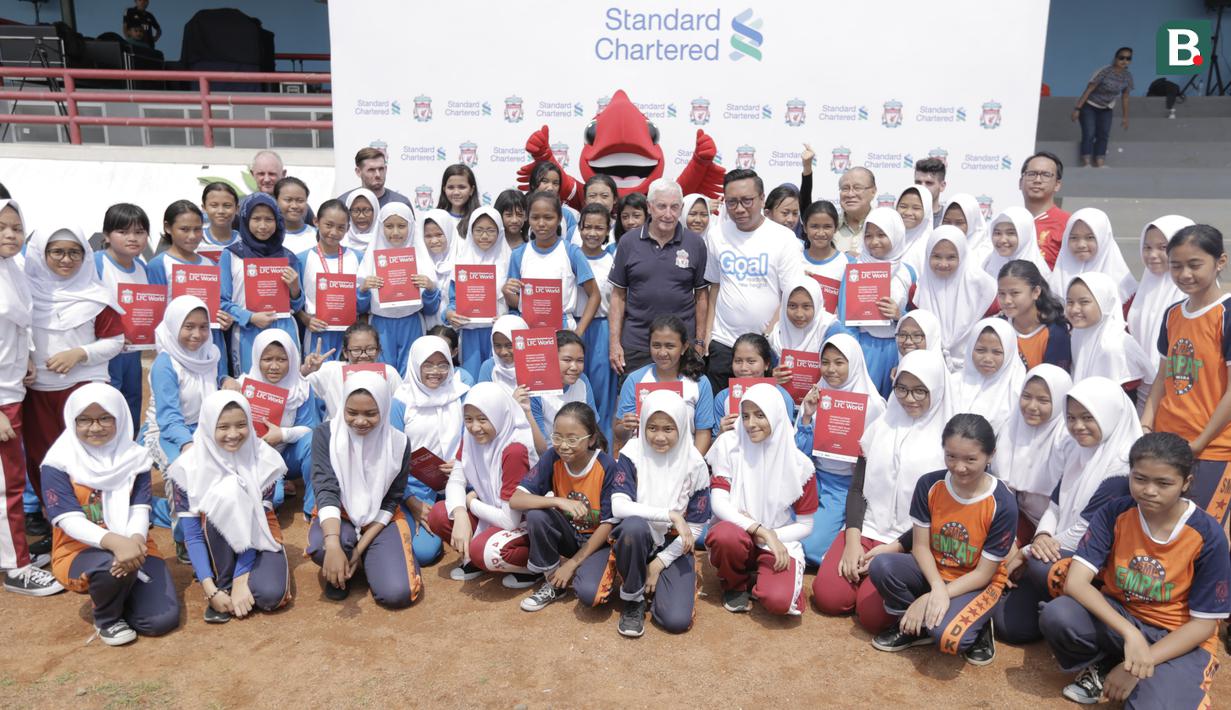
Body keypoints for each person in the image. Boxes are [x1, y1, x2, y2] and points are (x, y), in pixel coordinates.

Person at [1039, 433, 1228, 707]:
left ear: (1186, 483)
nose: (1149, 490)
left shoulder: (1207, 534)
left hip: (1177, 636)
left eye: (1164, 483)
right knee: (1059, 615)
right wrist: (1132, 634)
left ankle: (1144, 670)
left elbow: (1203, 625)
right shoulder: (1115, 512)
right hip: (1122, 618)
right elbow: (1076, 583)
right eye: (1140, 479)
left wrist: (1140, 663)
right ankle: (1106, 663)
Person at [997, 376, 1143, 644]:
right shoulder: (1079, 451)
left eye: (1088, 418)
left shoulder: (1124, 468)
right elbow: (1055, 505)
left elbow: (1086, 531)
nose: (1078, 426)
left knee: (1040, 568)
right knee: (1009, 626)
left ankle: (1077, 613)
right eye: (1072, 417)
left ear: (1110, 415)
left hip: (1095, 565)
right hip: (1058, 550)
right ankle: (1054, 605)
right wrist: (1041, 538)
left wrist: (1028, 553)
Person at [813, 350, 951, 633]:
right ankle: (862, 573)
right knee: (829, 596)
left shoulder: (947, 443)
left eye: (919, 391)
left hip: (911, 542)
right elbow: (857, 489)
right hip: (867, 530)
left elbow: (940, 511)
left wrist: (894, 547)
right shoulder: (880, 427)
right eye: (902, 388)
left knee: (873, 617)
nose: (908, 398)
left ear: (936, 389)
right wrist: (852, 541)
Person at [867, 413, 1016, 665]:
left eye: (971, 459)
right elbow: (921, 546)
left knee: (949, 639)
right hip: (934, 572)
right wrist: (936, 588)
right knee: (882, 565)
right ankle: (918, 626)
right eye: (951, 456)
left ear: (990, 455)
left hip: (975, 582)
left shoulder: (1003, 503)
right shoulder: (929, 484)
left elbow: (983, 574)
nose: (959, 467)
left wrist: (930, 597)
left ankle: (978, 625)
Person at [44, 383, 179, 645]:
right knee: (108, 568)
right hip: (77, 551)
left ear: (120, 417)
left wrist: (136, 541)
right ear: (72, 421)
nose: (95, 427)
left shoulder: (135, 457)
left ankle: (122, 589)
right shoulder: (58, 462)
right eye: (84, 420)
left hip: (135, 544)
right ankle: (107, 618)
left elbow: (139, 508)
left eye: (105, 418)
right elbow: (69, 520)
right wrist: (117, 544)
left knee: (159, 622)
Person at [166, 391, 290, 623]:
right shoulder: (187, 467)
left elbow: (256, 523)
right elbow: (192, 535)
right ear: (207, 426)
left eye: (241, 425)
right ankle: (223, 583)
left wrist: (242, 578)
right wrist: (210, 589)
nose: (233, 434)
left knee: (270, 596)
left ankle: (237, 579)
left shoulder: (264, 459)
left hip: (259, 536)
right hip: (217, 542)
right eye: (222, 427)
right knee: (222, 496)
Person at [23, 225, 125, 502]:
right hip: (38, 391)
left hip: (83, 387)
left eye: (74, 253)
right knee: (42, 454)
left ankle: (94, 518)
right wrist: (26, 360)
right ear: (41, 253)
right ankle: (55, 518)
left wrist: (78, 354)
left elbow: (115, 341)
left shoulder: (95, 295)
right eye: (57, 252)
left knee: (89, 451)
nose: (66, 260)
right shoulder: (24, 294)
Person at [305, 372, 422, 606]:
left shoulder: (398, 443)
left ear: (385, 409)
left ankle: (361, 559)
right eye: (352, 412)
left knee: (398, 593)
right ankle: (343, 563)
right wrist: (332, 543)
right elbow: (326, 489)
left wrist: (357, 551)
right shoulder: (325, 434)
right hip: (340, 516)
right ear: (342, 407)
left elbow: (391, 500)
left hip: (380, 521)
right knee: (321, 548)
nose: (360, 421)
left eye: (371, 413)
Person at [1142, 224, 1231, 525]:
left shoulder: (1226, 314)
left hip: (1213, 449)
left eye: (1195, 265)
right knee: (1166, 532)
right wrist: (1145, 425)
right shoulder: (1173, 314)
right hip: (1167, 444)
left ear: (1220, 262)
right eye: (1176, 266)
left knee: (1206, 535)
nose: (1184, 274)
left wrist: (1199, 443)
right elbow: (1162, 379)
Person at [705, 383, 816, 615]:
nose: (750, 424)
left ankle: (764, 576)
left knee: (779, 602)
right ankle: (736, 584)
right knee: (724, 535)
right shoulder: (728, 445)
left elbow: (806, 525)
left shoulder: (800, 465)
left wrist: (768, 536)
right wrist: (760, 531)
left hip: (777, 539)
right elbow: (718, 503)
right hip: (742, 533)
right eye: (745, 416)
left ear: (776, 416)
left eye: (759, 415)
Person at [610, 390, 711, 635]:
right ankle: (633, 599)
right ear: (642, 425)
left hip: (673, 544)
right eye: (652, 428)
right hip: (636, 539)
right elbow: (619, 506)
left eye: (669, 429)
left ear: (682, 427)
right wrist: (671, 514)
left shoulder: (695, 463)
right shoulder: (632, 452)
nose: (659, 437)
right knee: (634, 526)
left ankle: (657, 582)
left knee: (675, 621)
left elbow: (696, 525)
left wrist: (658, 564)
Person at [0, 200, 62, 596]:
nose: (10, 235)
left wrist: (26, 361)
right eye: (2, 227)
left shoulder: (12, 271)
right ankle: (14, 565)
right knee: (9, 484)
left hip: (12, 387)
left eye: (16, 228)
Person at [509, 402, 621, 612]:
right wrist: (557, 501)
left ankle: (587, 568)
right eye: (557, 437)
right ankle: (552, 581)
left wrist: (572, 564)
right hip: (569, 535)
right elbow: (516, 499)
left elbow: (608, 525)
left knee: (590, 594)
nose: (563, 445)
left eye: (572, 439)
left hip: (599, 541)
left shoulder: (607, 466)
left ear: (591, 439)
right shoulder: (553, 457)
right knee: (536, 514)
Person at [426, 382, 535, 587]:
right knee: (440, 514)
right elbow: (456, 479)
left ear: (499, 415)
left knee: (481, 550)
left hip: (523, 525)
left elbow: (510, 520)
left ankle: (532, 567)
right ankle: (478, 560)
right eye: (468, 419)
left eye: (483, 419)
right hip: (493, 514)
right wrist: (460, 513)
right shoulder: (470, 437)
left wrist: (471, 503)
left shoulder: (514, 450)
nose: (475, 427)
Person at [704, 169, 803, 391]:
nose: (739, 209)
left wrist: (767, 335)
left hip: (765, 347)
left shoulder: (784, 238)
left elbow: (791, 294)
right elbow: (714, 286)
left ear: (761, 199)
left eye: (747, 201)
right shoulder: (716, 235)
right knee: (722, 414)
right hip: (723, 344)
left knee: (760, 417)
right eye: (732, 202)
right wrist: (708, 335)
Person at [795, 333, 887, 567]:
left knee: (808, 546)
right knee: (783, 528)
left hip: (848, 485)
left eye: (839, 362)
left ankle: (839, 540)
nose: (830, 369)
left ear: (854, 363)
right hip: (814, 479)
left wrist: (859, 453)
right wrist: (807, 416)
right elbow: (799, 452)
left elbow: (879, 460)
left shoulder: (874, 405)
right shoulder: (816, 395)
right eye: (825, 362)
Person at [608, 178, 708, 385]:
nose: (668, 214)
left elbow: (701, 296)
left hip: (682, 347)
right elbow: (618, 296)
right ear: (649, 206)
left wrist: (698, 342)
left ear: (681, 209)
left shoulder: (695, 243)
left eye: (674, 207)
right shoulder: (628, 242)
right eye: (661, 206)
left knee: (682, 409)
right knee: (635, 411)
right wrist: (614, 343)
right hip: (637, 344)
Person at [833, 208, 917, 396]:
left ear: (895, 235)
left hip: (897, 350)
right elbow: (847, 319)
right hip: (864, 347)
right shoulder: (855, 269)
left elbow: (916, 320)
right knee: (864, 403)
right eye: (868, 235)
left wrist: (899, 316)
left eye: (881, 235)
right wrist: (852, 355)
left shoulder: (908, 272)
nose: (874, 242)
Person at [146, 200, 231, 381]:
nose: (192, 236)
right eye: (184, 229)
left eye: (198, 229)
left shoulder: (210, 264)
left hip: (209, 343)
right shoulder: (159, 265)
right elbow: (155, 314)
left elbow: (218, 303)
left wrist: (223, 316)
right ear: (168, 228)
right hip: (176, 347)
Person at [220, 193, 305, 374]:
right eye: (256, 219)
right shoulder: (231, 255)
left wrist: (295, 288)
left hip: (283, 329)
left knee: (286, 386)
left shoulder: (288, 257)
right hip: (247, 331)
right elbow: (221, 302)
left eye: (269, 219)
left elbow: (297, 306)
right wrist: (250, 317)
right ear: (245, 219)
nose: (263, 226)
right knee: (250, 387)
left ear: (278, 221)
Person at [239, 331, 317, 513]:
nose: (274, 366)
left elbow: (310, 428)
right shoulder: (243, 386)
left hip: (288, 455)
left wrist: (282, 434)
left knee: (314, 442)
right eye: (267, 359)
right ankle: (277, 484)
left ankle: (312, 508)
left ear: (292, 359)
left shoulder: (301, 388)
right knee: (275, 499)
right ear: (257, 358)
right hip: (252, 459)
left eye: (281, 360)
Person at [614, 315, 715, 456]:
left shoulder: (699, 383)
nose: (662, 352)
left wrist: (692, 466)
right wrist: (625, 426)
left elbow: (703, 432)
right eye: (656, 345)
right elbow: (620, 434)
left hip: (685, 462)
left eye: (670, 346)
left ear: (684, 348)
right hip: (642, 461)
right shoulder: (635, 380)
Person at [357, 203, 438, 377]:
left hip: (412, 323)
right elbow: (360, 308)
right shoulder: (370, 258)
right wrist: (363, 290)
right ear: (380, 227)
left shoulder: (421, 258)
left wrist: (430, 288)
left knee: (411, 371)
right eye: (389, 226)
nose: (395, 232)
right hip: (380, 324)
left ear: (411, 226)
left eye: (401, 226)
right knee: (381, 373)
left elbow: (431, 309)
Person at [993, 364, 1074, 537]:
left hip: (1060, 525)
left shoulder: (1069, 438)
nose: (1031, 406)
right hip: (1018, 515)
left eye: (1043, 401)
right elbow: (1004, 489)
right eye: (1026, 396)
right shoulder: (1011, 427)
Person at [504, 191, 600, 333]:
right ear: (527, 218)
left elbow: (594, 295)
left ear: (559, 218)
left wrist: (579, 332)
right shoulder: (519, 254)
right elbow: (516, 302)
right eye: (535, 217)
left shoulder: (571, 252)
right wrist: (506, 292)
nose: (541, 223)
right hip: (528, 329)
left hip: (563, 330)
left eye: (548, 217)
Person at [1127, 216, 1195, 414]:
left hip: (1178, 390)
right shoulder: (1143, 289)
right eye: (1147, 247)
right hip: (1143, 387)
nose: (1152, 255)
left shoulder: (1191, 292)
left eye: (1162, 247)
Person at [94, 203, 152, 429]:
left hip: (132, 353)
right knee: (108, 403)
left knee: (132, 402)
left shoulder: (141, 267)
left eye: (139, 232)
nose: (132, 238)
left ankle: (128, 453)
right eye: (123, 232)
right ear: (107, 235)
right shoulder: (97, 263)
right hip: (104, 353)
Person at [913, 225, 997, 370]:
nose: (943, 264)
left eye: (951, 257)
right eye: (936, 256)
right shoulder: (919, 290)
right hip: (931, 367)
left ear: (963, 255)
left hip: (976, 369)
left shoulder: (984, 289)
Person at [448, 207, 514, 378]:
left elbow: (518, 302)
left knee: (499, 378)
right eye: (479, 230)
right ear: (470, 231)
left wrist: (509, 318)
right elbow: (452, 300)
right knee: (472, 378)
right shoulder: (462, 261)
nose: (484, 236)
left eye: (491, 230)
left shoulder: (510, 261)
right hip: (470, 334)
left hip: (500, 334)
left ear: (500, 232)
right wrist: (449, 313)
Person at [296, 199, 359, 359]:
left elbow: (364, 299)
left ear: (348, 229)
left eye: (341, 227)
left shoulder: (357, 257)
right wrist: (305, 319)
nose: (334, 232)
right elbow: (294, 300)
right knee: (317, 378)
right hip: (317, 331)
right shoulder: (302, 259)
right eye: (328, 225)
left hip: (350, 333)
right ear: (316, 221)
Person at [301, 322, 402, 421]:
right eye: (356, 350)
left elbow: (402, 406)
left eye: (370, 349)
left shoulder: (389, 373)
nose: (363, 355)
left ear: (378, 351)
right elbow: (295, 388)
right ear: (345, 352)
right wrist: (306, 370)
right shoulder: (331, 371)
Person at [574, 203, 617, 432]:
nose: (592, 233)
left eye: (599, 228)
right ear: (579, 228)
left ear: (607, 230)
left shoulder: (613, 259)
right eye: (587, 227)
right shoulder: (569, 255)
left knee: (602, 399)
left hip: (602, 331)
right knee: (573, 392)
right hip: (574, 327)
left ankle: (604, 455)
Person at [1066, 273, 1151, 387]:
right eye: (1070, 302)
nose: (1074, 309)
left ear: (1105, 302)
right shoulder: (1078, 334)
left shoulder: (1114, 347)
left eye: (1084, 302)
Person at [519, 330, 595, 455]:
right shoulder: (535, 391)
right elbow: (541, 449)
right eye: (567, 360)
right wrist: (527, 412)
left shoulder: (583, 381)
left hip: (579, 455)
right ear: (551, 360)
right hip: (549, 458)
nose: (574, 367)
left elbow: (593, 428)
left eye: (580, 360)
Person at [712, 332, 795, 439]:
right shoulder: (723, 397)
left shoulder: (782, 396)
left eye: (751, 361)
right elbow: (715, 444)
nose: (743, 368)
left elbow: (788, 439)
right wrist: (721, 434)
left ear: (766, 364)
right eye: (738, 361)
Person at [953, 318, 1027, 433]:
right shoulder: (953, 383)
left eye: (997, 352)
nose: (987, 359)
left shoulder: (1018, 391)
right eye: (980, 350)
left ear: (1009, 353)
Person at [997, 260, 1072, 371]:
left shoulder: (1055, 333)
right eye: (1002, 293)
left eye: (1015, 293)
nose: (1007, 300)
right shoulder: (998, 326)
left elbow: (1052, 380)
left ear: (1036, 292)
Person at [1072, 47, 1134, 168]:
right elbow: (1089, 89)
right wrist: (1077, 109)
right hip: (1090, 106)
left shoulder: (1128, 77)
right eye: (1121, 57)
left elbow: (1125, 97)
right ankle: (1087, 162)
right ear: (1115, 58)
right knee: (1089, 133)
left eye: (1128, 58)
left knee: (1103, 134)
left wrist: (1125, 117)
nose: (1124, 61)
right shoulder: (1105, 71)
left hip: (1106, 108)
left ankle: (1100, 162)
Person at [1019, 152, 1070, 269]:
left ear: (1057, 185)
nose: (1037, 180)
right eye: (1031, 174)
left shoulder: (1069, 224)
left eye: (1046, 175)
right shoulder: (1006, 223)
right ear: (1020, 183)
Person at [982, 206, 1049, 280]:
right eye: (997, 233)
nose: (1002, 240)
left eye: (1010, 233)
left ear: (1025, 236)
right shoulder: (987, 264)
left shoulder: (1039, 274)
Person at [338, 147, 412, 210]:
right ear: (358, 172)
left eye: (381, 169)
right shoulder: (344, 204)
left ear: (386, 169)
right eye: (371, 170)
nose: (378, 174)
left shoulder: (401, 203)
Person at [476, 314, 528, 395]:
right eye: (498, 345)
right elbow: (484, 403)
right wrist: (513, 403)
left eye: (509, 345)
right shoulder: (489, 367)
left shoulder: (534, 365)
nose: (503, 352)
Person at [836, 167, 876, 254]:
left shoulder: (883, 225)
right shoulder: (829, 226)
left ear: (873, 191)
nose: (850, 194)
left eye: (857, 188)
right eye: (845, 188)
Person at [896, 185, 935, 275]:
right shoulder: (888, 240)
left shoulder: (931, 246)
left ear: (927, 211)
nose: (908, 212)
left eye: (916, 208)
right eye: (903, 206)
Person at [436, 164, 481, 239]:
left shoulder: (480, 219)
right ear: (444, 189)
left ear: (471, 190)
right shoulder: (435, 219)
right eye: (450, 187)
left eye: (462, 187)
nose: (456, 192)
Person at [275, 177, 317, 255]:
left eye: (300, 201)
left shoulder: (319, 236)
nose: (294, 206)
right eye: (288, 200)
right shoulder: (267, 236)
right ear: (276, 201)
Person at [200, 182, 240, 254]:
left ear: (237, 209)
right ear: (204, 208)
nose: (221, 211)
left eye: (227, 205)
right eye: (214, 205)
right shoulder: (195, 239)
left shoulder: (243, 241)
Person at [341, 189, 380, 256]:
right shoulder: (340, 242)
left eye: (367, 210)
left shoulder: (383, 240)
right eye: (355, 210)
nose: (361, 216)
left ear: (375, 211)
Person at [913, 157, 947, 229]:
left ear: (942, 186)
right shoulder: (904, 216)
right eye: (918, 182)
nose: (922, 187)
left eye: (929, 183)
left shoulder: (948, 218)